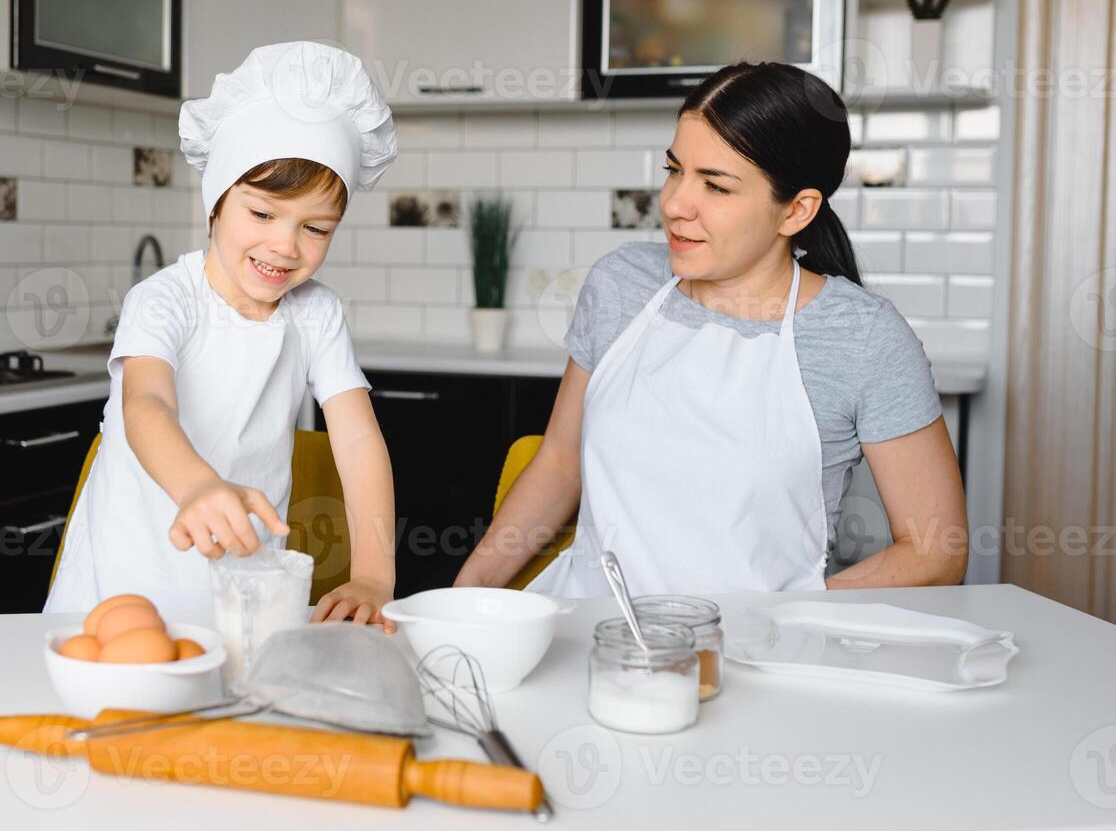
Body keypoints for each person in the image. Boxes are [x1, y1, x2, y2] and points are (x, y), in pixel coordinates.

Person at [455, 61, 968, 596]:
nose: (675, 205)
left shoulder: (863, 338)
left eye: (715, 187)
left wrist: (788, 619)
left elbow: (936, 551)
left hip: (758, 657)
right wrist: (463, 596)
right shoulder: (621, 285)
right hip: (589, 630)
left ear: (795, 210)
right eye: (674, 170)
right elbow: (560, 465)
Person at [47, 41, 398, 629]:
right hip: (123, 581)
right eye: (262, 215)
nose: (285, 246)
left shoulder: (317, 313)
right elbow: (147, 405)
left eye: (316, 228)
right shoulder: (164, 300)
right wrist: (199, 486)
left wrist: (372, 573)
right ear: (215, 202)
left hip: (242, 586)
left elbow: (359, 442)